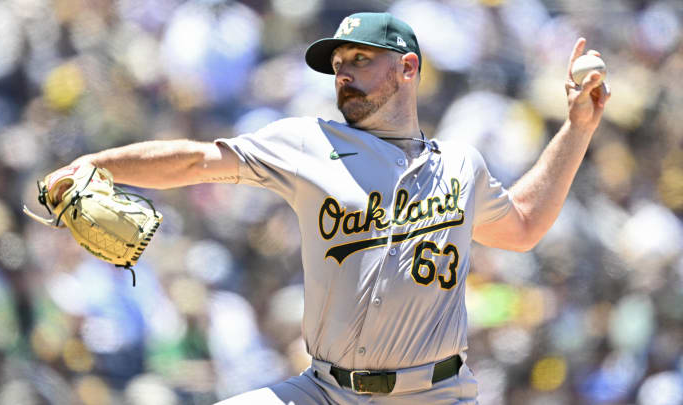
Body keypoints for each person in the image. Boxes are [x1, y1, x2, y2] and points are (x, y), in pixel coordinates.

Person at [63, 12, 610, 405]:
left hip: (434, 394)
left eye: (361, 59)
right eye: (339, 63)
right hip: (326, 390)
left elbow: (523, 226)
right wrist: (100, 164)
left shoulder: (460, 166)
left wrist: (577, 128)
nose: (343, 72)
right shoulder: (308, 142)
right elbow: (197, 161)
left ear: (409, 69)